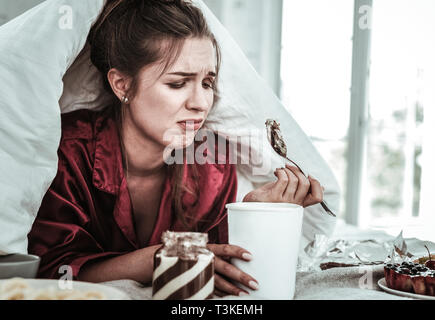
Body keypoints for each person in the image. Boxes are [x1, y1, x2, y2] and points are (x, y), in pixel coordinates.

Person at [27, 0, 324, 298]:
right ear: (122, 85)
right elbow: (50, 270)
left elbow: (222, 265)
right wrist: (157, 258)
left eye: (207, 83)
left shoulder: (213, 164)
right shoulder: (67, 149)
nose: (200, 103)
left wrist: (254, 214)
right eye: (178, 83)